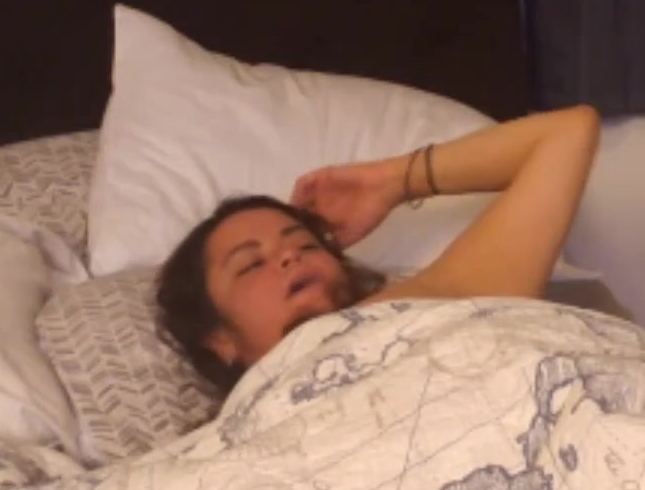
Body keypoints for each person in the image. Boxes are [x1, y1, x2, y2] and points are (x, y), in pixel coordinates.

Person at [157, 104, 601, 392]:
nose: (289, 256)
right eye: (252, 264)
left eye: (305, 244)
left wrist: (394, 181)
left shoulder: (430, 300)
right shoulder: (227, 445)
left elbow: (567, 133)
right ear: (219, 339)